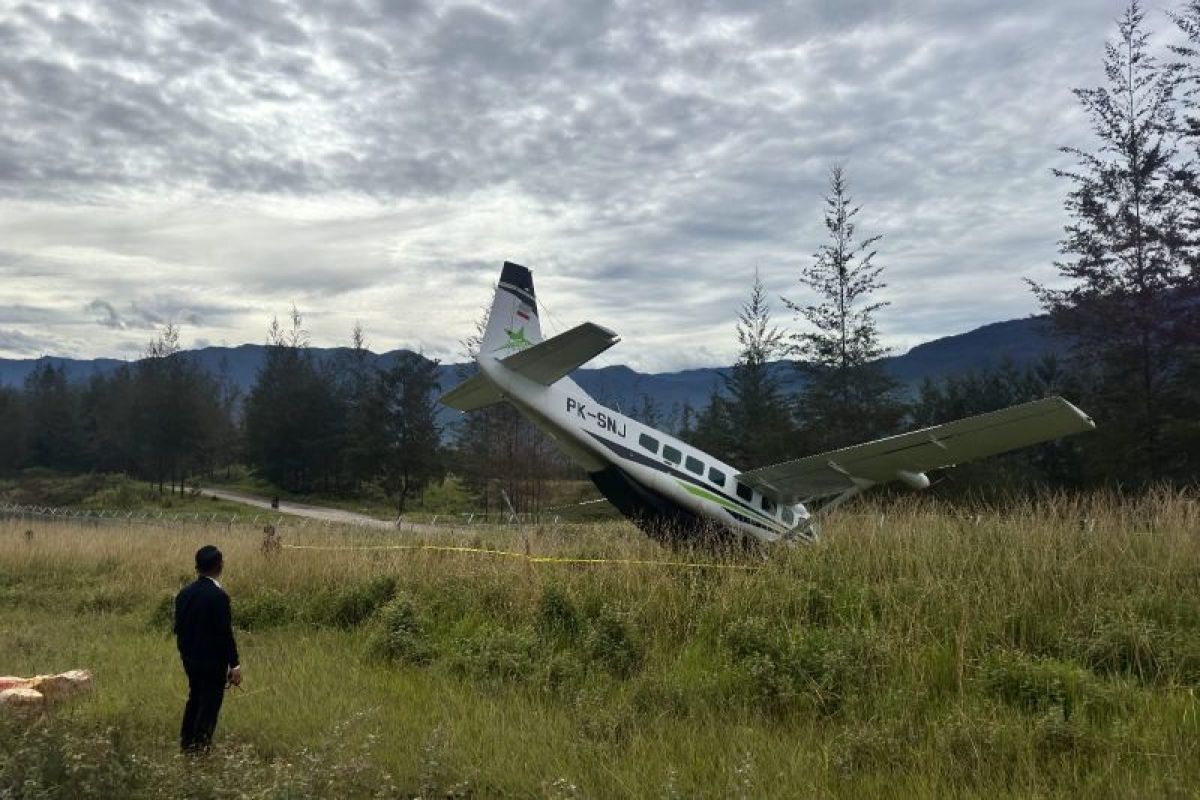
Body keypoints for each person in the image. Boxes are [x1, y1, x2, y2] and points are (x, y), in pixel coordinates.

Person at [174, 544, 242, 752]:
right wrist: (235, 665)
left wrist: (186, 655)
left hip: (190, 661)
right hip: (212, 663)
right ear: (218, 566)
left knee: (194, 698)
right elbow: (224, 633)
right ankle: (200, 748)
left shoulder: (184, 593)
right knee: (209, 705)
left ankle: (186, 744)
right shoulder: (219, 597)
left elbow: (179, 628)